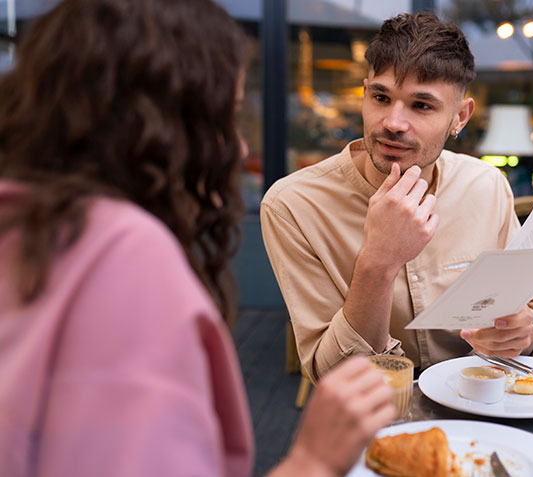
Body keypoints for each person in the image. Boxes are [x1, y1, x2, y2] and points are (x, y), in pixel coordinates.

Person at [0, 1, 394, 476]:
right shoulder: (125, 259)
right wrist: (311, 462)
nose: (241, 146)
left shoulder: (28, 224)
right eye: (225, 116)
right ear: (162, 129)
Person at [261, 12, 533, 382]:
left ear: (460, 118)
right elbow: (334, 374)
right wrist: (378, 260)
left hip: (481, 382)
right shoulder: (293, 205)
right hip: (385, 398)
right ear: (364, 95)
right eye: (380, 97)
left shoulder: (485, 184)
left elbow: (531, 318)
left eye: (421, 105)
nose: (393, 122)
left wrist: (524, 331)